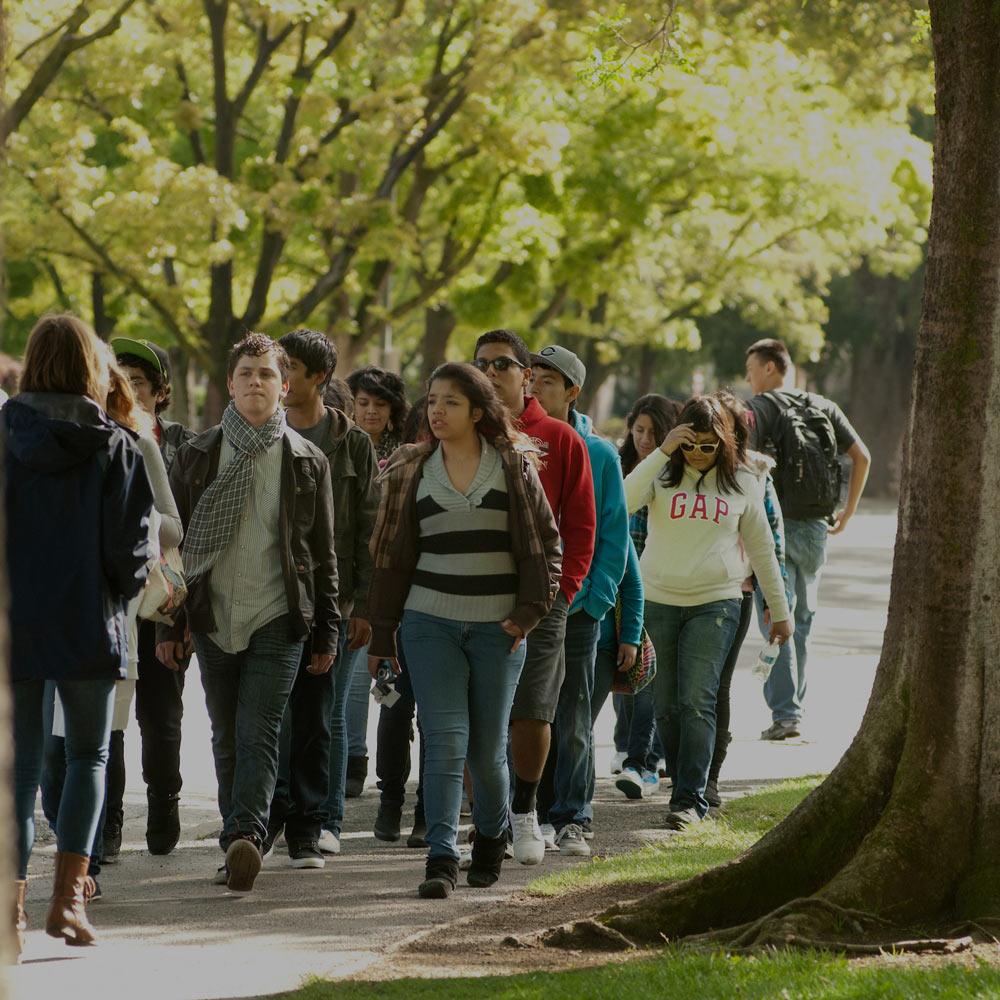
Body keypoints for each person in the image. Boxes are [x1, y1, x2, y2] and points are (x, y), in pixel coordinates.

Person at [366, 363, 562, 898]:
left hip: (497, 630)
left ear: (477, 411)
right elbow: (386, 557)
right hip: (428, 623)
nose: (436, 410)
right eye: (431, 401)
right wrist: (383, 636)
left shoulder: (514, 465)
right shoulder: (410, 467)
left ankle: (494, 833)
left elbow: (546, 549)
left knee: (485, 752)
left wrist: (526, 615)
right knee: (446, 741)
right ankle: (441, 857)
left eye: (450, 402)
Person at [158, 333, 339, 893]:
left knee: (259, 727)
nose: (256, 382)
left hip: (277, 615)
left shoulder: (307, 460)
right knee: (225, 731)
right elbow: (176, 551)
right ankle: (239, 837)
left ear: (285, 385)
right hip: (213, 615)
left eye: (266, 374)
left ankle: (244, 836)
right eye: (246, 374)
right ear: (230, 386)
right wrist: (172, 625)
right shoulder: (197, 455)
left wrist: (327, 628)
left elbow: (323, 552)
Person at [5, 314, 153, 953]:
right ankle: (67, 903)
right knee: (89, 755)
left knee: (19, 766)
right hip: (89, 620)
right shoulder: (115, 444)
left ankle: (9, 912)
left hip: (13, 620)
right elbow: (130, 553)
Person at [624, 395, 793, 828]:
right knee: (665, 705)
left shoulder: (742, 482)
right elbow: (622, 502)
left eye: (708, 446)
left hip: (716, 602)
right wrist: (663, 451)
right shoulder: (661, 473)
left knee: (698, 700)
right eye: (689, 445)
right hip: (659, 599)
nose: (698, 454)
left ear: (724, 444)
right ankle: (684, 781)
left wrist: (780, 608)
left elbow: (762, 550)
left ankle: (689, 800)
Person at [472, 329, 595, 866]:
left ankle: (525, 812)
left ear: (526, 375)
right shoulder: (463, 430)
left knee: (532, 711)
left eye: (503, 363)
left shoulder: (561, 438)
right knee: (478, 715)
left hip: (542, 600)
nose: (492, 372)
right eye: (483, 364)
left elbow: (582, 527)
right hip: (472, 592)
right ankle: (486, 824)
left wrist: (560, 592)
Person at [265, 329, 378, 865]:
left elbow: (368, 529)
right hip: (274, 594)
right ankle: (266, 817)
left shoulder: (352, 442)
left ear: (319, 378)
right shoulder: (259, 432)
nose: (280, 377)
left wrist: (361, 603)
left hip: (334, 600)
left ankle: (321, 820)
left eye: (290, 367)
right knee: (272, 714)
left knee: (324, 714)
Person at [744, 339, 871, 739]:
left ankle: (786, 715)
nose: (749, 380)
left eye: (750, 371)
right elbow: (862, 456)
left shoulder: (761, 408)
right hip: (817, 526)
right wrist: (846, 512)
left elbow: (742, 461)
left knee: (776, 620)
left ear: (768, 367)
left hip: (774, 528)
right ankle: (793, 707)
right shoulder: (824, 406)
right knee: (802, 620)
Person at [529, 346, 628, 855]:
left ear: (572, 391)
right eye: (533, 377)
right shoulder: (519, 442)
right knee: (530, 712)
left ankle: (573, 815)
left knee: (573, 715)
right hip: (527, 604)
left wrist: (594, 598)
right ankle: (535, 812)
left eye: (549, 380)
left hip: (580, 604)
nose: (536, 387)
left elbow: (614, 535)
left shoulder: (599, 452)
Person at [111, 336, 193, 855]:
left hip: (163, 601)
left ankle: (164, 805)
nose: (128, 391)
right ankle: (110, 821)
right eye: (119, 381)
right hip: (112, 602)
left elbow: (186, 533)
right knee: (111, 721)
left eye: (138, 383)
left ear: (160, 392)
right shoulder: (99, 440)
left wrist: (176, 623)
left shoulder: (183, 447)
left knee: (160, 717)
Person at [340, 365, 410, 796]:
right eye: (362, 403)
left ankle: (389, 755)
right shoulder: (341, 448)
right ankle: (353, 756)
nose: (369, 412)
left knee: (386, 679)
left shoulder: (405, 454)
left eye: (378, 405)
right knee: (351, 678)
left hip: (394, 582)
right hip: (352, 580)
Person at [612, 395, 680, 787]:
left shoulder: (674, 470)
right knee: (622, 666)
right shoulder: (620, 465)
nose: (644, 439)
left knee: (648, 669)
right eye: (639, 430)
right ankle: (628, 748)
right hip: (620, 576)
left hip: (655, 579)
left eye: (654, 433)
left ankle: (645, 757)